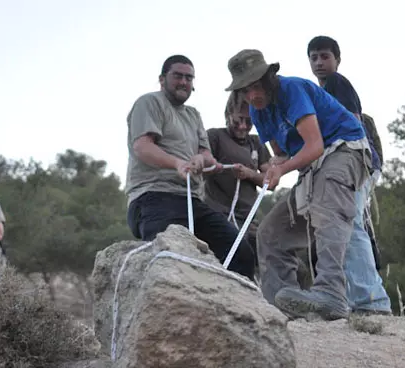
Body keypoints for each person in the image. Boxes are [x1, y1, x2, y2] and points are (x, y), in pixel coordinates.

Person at [225, 49, 371, 321]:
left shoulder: (291, 89)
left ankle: (331, 293)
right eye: (245, 90)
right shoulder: (258, 113)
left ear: (270, 77)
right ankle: (280, 307)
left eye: (257, 86)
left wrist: (281, 168)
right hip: (314, 165)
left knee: (327, 209)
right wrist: (270, 169)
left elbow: (314, 145)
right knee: (270, 232)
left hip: (344, 149)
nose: (253, 95)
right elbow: (282, 153)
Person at [125, 54, 255, 280]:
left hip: (191, 200)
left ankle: (232, 309)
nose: (184, 82)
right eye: (178, 76)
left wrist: (201, 160)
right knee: (170, 260)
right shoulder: (149, 103)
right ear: (162, 78)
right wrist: (177, 163)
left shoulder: (193, 115)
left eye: (189, 78)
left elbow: (205, 153)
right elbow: (142, 147)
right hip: (153, 196)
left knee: (240, 252)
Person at [307, 35, 392, 315]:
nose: (319, 62)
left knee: (350, 224)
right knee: (345, 225)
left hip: (354, 160)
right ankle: (355, 298)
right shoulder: (321, 90)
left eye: (325, 56)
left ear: (337, 60)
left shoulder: (336, 83)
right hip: (348, 163)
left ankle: (372, 301)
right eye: (314, 57)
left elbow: (352, 124)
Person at [203, 93, 272, 265]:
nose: (242, 126)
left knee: (274, 254)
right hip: (220, 215)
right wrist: (215, 167)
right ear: (228, 116)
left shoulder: (257, 142)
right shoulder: (214, 136)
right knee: (236, 256)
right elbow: (202, 168)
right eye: (237, 121)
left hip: (249, 219)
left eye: (249, 122)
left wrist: (250, 174)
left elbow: (271, 182)